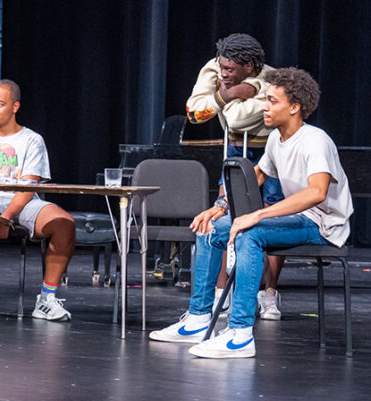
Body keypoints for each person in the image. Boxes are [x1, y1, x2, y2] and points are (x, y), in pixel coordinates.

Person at [151, 68, 352, 358]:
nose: (264, 107)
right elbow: (256, 176)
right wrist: (219, 208)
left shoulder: (314, 140)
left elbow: (316, 192)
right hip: (297, 219)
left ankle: (240, 333)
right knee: (210, 228)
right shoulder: (276, 139)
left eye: (272, 101)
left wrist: (258, 215)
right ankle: (197, 319)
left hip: (323, 225)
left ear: (294, 107)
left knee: (250, 232)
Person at [0, 79, 76, 321]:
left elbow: (28, 188)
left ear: (15, 107)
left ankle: (46, 300)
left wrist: (5, 217)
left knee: (64, 223)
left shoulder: (31, 140)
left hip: (22, 202)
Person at [186, 32, 285, 320]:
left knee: (273, 216)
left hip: (271, 150)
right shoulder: (214, 70)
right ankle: (222, 291)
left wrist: (230, 104)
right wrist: (227, 94)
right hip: (236, 150)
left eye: (230, 71)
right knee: (223, 216)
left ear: (251, 67)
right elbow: (194, 114)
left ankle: (269, 292)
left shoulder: (273, 78)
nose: (224, 73)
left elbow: (237, 117)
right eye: (222, 68)